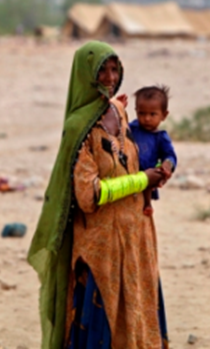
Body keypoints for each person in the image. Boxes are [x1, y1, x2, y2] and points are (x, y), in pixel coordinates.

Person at [27, 41, 169, 349]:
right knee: (101, 326)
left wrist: (159, 172)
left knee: (139, 316)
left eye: (114, 68)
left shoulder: (120, 112)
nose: (109, 76)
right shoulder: (80, 126)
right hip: (100, 245)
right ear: (84, 75)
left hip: (137, 238)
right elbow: (89, 195)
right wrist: (141, 180)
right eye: (101, 70)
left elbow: (139, 157)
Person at [127, 86, 177, 216]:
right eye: (141, 113)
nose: (147, 118)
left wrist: (167, 164)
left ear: (164, 115)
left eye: (152, 114)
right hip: (128, 173)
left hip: (146, 173)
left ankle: (147, 205)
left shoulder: (160, 137)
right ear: (136, 111)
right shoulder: (132, 128)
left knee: (151, 178)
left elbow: (170, 155)